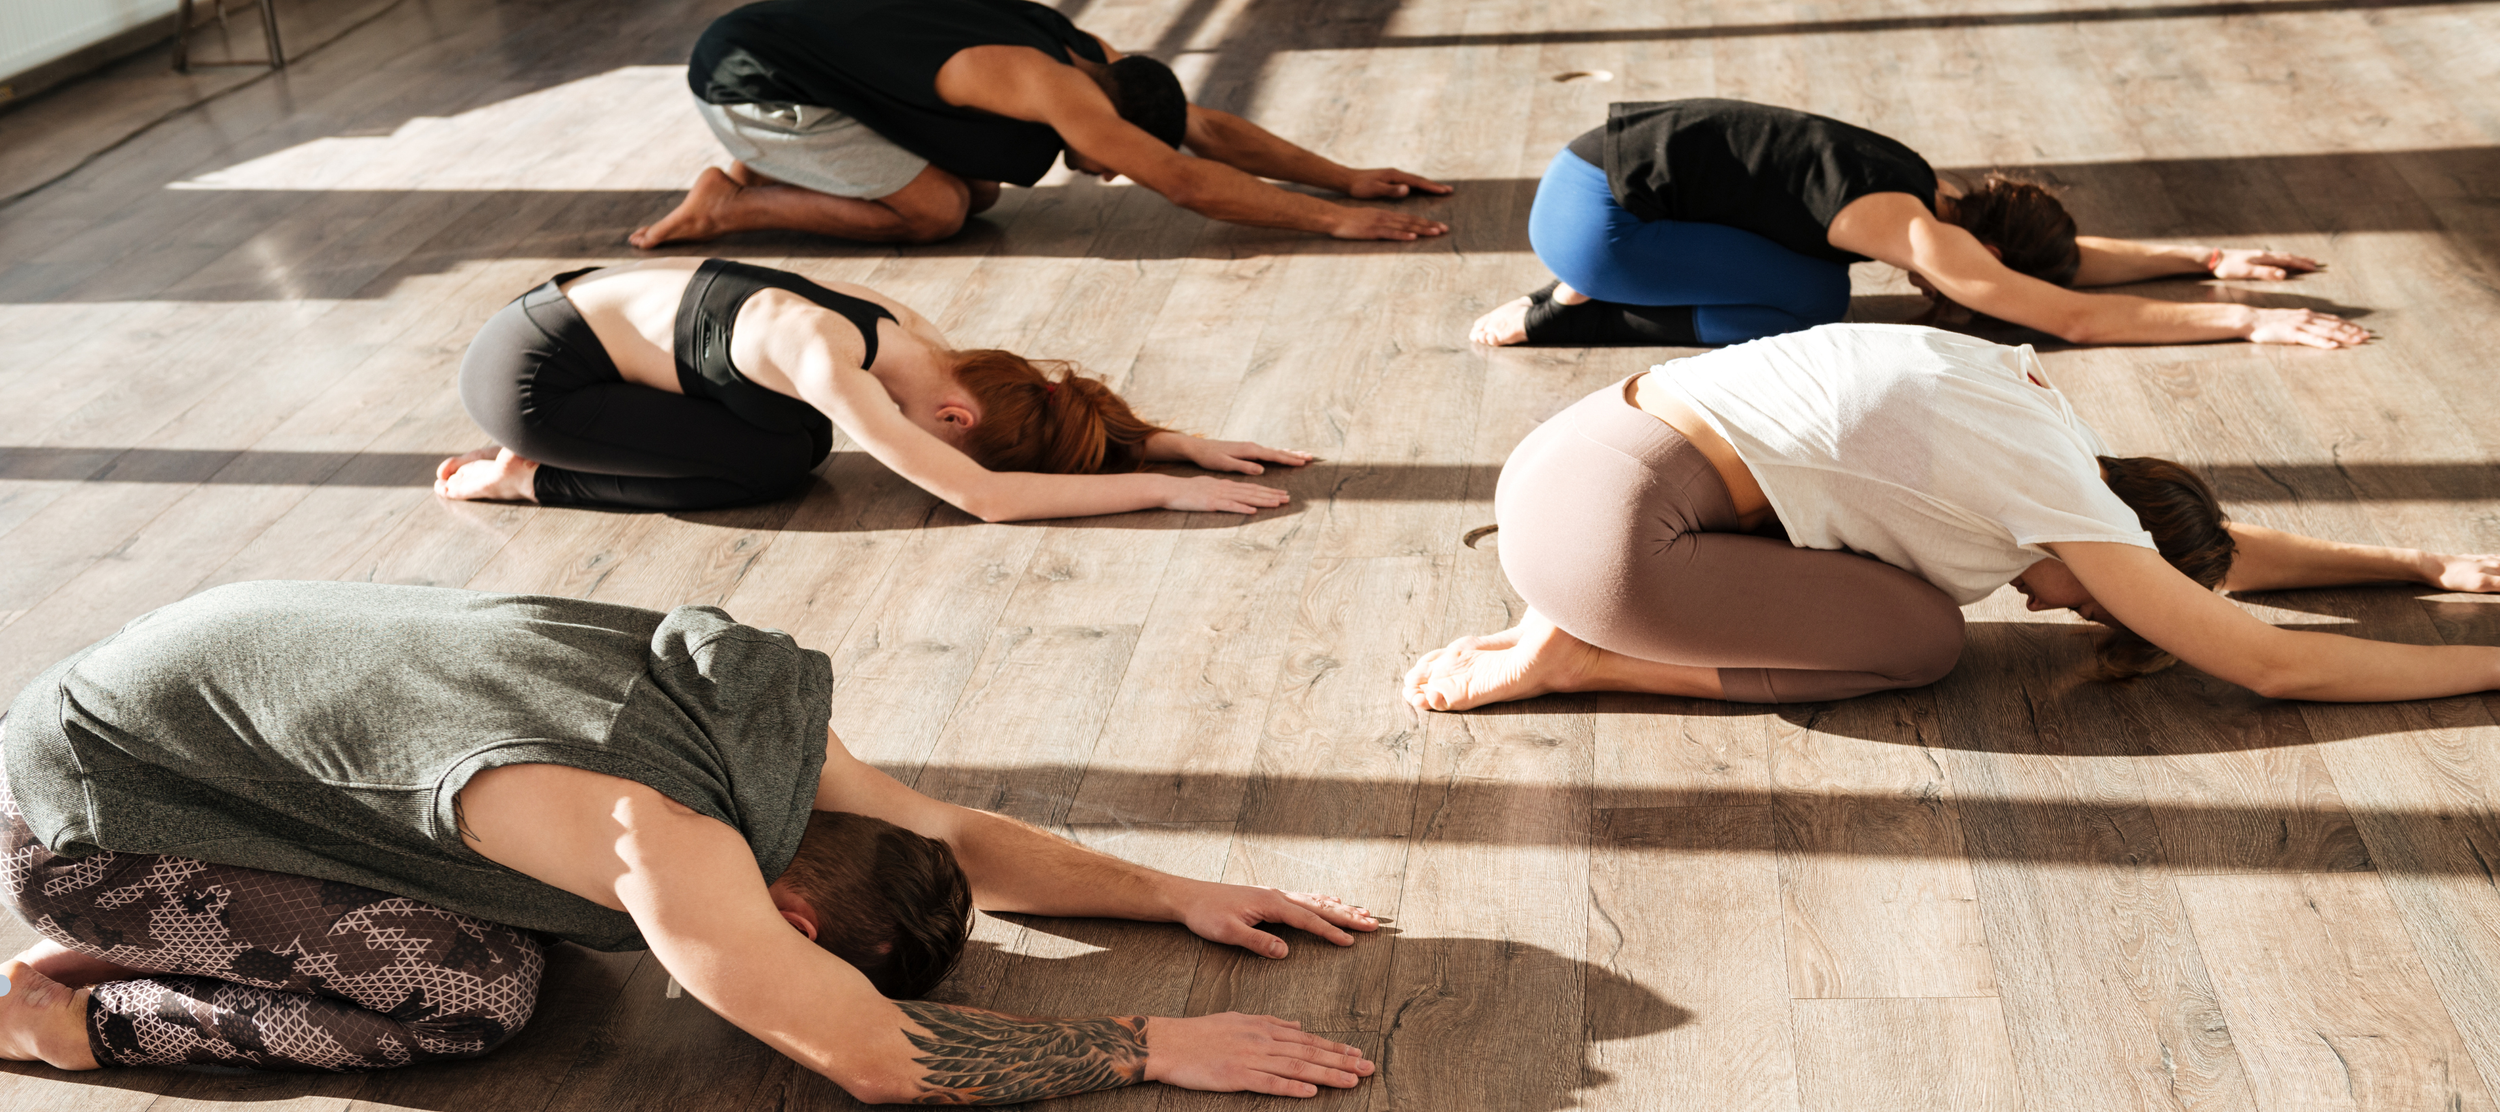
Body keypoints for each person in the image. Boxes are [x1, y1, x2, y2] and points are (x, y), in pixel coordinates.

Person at [1, 582, 1377, 1107]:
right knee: (479, 991)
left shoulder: (755, 729)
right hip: (91, 803)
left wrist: (1181, 893)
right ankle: (63, 1021)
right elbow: (870, 1053)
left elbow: (948, 832)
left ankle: (185, 917)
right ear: (798, 915)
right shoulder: (653, 833)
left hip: (172, 689)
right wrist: (1147, 1042)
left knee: (530, 929)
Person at [1405, 323, 2500, 713]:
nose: (2064, 612)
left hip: (1566, 460)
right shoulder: (2061, 500)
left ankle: (1571, 622)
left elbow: (2202, 561)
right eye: (2101, 606)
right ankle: (1586, 660)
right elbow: (2275, 666)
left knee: (1882, 574)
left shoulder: (2036, 417)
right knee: (1924, 638)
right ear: (2124, 549)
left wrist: (2421, 564)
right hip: (1612, 539)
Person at [1469, 98, 2367, 352]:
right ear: (1984, 250)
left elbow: (2043, 272)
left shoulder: (1923, 190)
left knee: (1814, 275)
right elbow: (2072, 314)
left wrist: (2203, 257)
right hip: (1599, 225)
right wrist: (2248, 318)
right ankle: (1573, 310)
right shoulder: (1921, 233)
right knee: (1812, 302)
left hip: (1585, 167)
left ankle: (1597, 282)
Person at [436, 257, 1309, 515]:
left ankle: (565, 454)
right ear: (957, 414)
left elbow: (1044, 417)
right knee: (773, 465)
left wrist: (1163, 440)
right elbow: (985, 497)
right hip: (530, 379)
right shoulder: (826, 359)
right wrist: (1161, 491)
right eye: (948, 440)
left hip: (572, 318)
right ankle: (530, 475)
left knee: (796, 443)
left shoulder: (914, 343)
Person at [628, 0, 1451, 249]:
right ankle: (732, 204)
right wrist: (1336, 219)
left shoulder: (1092, 55)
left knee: (979, 192)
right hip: (749, 83)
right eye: (1113, 155)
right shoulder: (1051, 89)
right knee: (938, 211)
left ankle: (772, 173)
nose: (1110, 170)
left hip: (804, 62)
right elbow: (1185, 179)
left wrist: (1341, 173)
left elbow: (1201, 130)